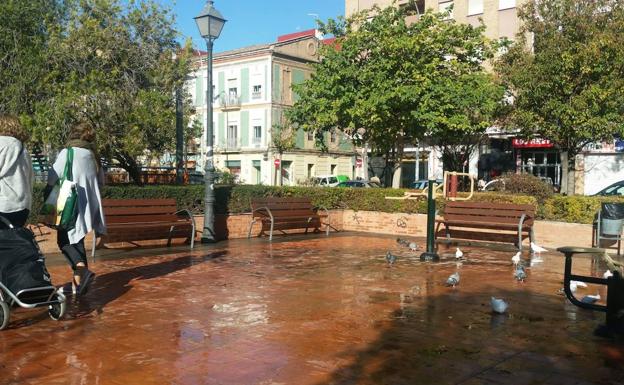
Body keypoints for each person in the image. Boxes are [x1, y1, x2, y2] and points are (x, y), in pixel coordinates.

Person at [47, 122, 105, 295]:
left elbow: (52, 177)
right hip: (88, 205)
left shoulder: (68, 152)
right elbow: (101, 181)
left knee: (64, 241)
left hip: (69, 203)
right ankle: (80, 284)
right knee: (76, 240)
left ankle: (82, 270)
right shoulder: (93, 155)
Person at [0, 115, 34, 229]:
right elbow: (30, 179)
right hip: (23, 207)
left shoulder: (2, 143)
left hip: (3, 205)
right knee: (12, 242)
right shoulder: (23, 149)